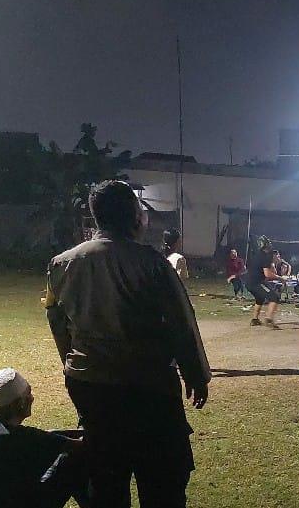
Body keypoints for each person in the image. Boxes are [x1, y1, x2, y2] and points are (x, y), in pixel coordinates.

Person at [45, 180, 211, 508]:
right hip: (148, 388)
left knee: (106, 479)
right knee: (163, 480)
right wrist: (195, 373)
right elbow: (181, 322)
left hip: (91, 388)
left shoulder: (62, 264)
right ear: (135, 217)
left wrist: (71, 362)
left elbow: (56, 320)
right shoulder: (152, 264)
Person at [0, 368, 89, 508]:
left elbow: (47, 437)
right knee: (74, 459)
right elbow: (78, 445)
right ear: (20, 403)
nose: (32, 398)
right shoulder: (13, 440)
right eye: (29, 393)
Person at [246, 238, 283, 328]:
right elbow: (268, 274)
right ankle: (268, 319)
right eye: (269, 243)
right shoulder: (265, 256)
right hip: (256, 282)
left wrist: (273, 264)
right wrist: (280, 278)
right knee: (274, 297)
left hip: (249, 282)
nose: (270, 245)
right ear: (266, 245)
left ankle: (255, 320)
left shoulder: (257, 254)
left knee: (260, 298)